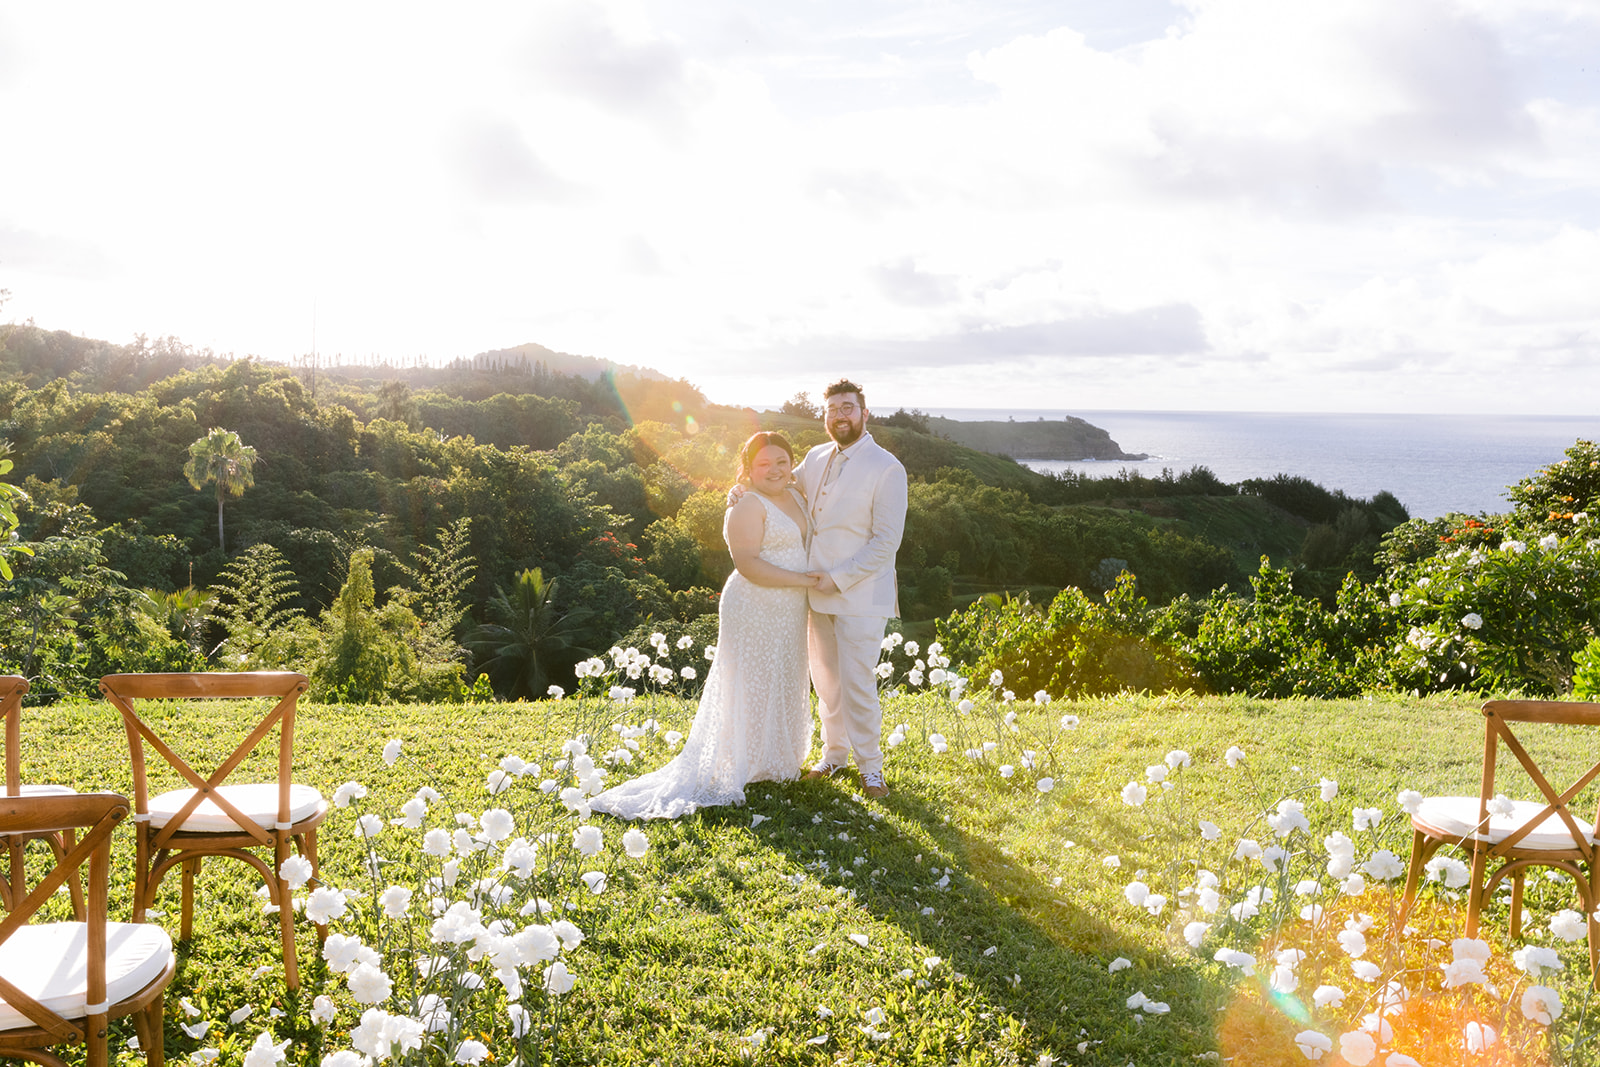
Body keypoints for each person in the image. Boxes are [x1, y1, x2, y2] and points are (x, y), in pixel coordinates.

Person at [591, 432, 818, 820]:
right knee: (748, 680)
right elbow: (748, 565)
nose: (775, 470)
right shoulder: (746, 505)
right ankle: (738, 762)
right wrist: (808, 581)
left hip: (791, 608)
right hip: (755, 605)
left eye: (783, 461)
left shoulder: (797, 495)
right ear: (748, 469)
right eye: (764, 464)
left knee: (782, 675)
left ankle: (772, 760)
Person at [794, 379, 908, 799]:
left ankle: (872, 769)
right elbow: (784, 486)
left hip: (861, 594)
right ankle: (834, 755)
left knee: (857, 683)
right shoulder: (814, 456)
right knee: (826, 681)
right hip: (815, 589)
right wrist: (742, 487)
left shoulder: (887, 467)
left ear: (864, 413)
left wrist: (838, 577)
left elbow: (886, 541)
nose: (839, 416)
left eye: (847, 408)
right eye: (831, 410)